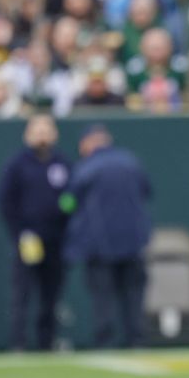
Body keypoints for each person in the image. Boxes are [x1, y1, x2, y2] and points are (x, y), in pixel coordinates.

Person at [63, 124, 152, 348]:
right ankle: (137, 341)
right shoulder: (131, 161)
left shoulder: (85, 168)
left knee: (103, 298)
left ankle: (105, 343)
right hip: (134, 242)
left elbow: (68, 203)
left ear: (88, 144)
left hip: (99, 246)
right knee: (133, 295)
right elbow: (146, 191)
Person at [0, 114, 72, 351]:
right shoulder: (17, 163)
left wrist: (66, 216)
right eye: (37, 131)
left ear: (54, 134)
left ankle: (47, 342)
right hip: (28, 239)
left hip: (56, 239)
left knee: (51, 295)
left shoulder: (62, 162)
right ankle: (18, 342)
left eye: (45, 130)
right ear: (27, 135)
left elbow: (72, 198)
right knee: (22, 294)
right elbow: (6, 201)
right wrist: (19, 232)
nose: (41, 136)